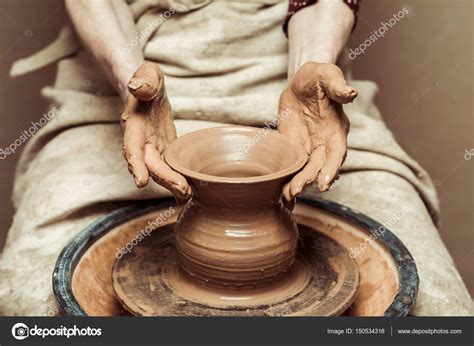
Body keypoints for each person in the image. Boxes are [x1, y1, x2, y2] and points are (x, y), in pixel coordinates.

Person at [0, 0, 471, 316]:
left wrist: (311, 64)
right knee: (29, 297)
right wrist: (130, 76)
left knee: (438, 307)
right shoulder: (129, 82)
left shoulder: (305, 88)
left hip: (296, 92)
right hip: (127, 87)